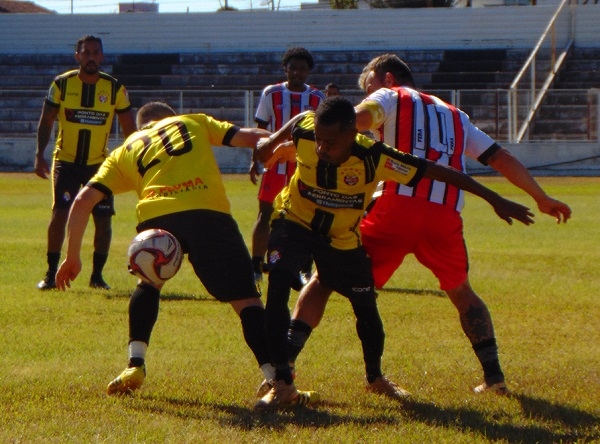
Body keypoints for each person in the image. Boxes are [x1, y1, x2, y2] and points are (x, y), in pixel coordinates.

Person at [287, 54, 572, 398]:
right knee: (462, 291)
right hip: (445, 212)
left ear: (387, 78)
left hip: (396, 205)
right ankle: (495, 377)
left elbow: (354, 122)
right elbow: (500, 157)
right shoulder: (456, 115)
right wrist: (540, 197)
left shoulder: (389, 97)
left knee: (325, 279)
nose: (367, 93)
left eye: (369, 87)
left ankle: (283, 368)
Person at [253, 96, 535, 410]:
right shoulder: (307, 131)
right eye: (319, 140)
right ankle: (282, 382)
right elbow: (299, 121)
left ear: (353, 133)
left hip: (341, 238)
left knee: (365, 305)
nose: (321, 148)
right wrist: (267, 146)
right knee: (277, 285)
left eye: (331, 142)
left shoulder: (376, 157)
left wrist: (495, 198)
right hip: (294, 221)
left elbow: (437, 172)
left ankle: (375, 378)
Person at [54, 102, 311, 404]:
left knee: (148, 284)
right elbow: (250, 136)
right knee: (246, 301)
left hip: (157, 217)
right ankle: (275, 380)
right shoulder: (192, 121)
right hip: (207, 211)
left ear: (142, 126)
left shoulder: (127, 148)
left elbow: (83, 200)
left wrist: (72, 257)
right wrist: (285, 146)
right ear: (170, 116)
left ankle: (134, 365)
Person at [34, 35, 137, 291]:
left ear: (101, 57)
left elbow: (129, 129)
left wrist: (134, 160)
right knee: (60, 214)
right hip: (66, 162)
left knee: (103, 221)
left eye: (96, 52)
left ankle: (97, 276)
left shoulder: (114, 88)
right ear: (77, 56)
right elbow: (47, 120)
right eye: (86, 52)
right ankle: (50, 274)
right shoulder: (61, 85)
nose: (91, 57)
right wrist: (39, 154)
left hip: (100, 165)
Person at [249, 47, 326, 293]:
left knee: (308, 215)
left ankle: (304, 266)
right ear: (286, 69)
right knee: (266, 213)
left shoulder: (317, 98)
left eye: (302, 68)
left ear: (308, 72)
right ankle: (256, 265)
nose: (297, 72)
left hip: (305, 164)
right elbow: (260, 129)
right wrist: (255, 160)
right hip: (275, 163)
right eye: (293, 67)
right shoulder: (271, 93)